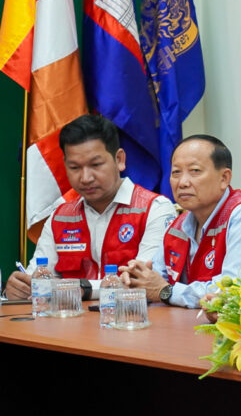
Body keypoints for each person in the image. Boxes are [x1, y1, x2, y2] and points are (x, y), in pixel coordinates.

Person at [2, 115, 175, 300]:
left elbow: (143, 282)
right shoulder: (60, 217)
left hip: (132, 316)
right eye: (75, 167)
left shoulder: (155, 209)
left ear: (119, 159)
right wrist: (19, 289)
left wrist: (82, 288)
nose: (85, 178)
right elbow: (37, 280)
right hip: (68, 317)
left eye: (96, 165)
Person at [122, 135, 241, 309]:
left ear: (224, 178)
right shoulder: (179, 225)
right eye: (176, 172)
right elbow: (154, 280)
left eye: (195, 171)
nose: (182, 182)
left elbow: (232, 292)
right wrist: (137, 278)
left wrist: (167, 292)